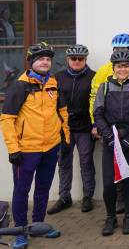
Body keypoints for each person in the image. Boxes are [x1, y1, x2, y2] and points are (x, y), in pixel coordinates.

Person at [1, 43, 67, 249]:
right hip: (26, 150)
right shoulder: (20, 86)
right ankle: (20, 231)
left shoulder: (53, 83)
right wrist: (13, 149)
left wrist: (65, 139)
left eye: (48, 59)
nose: (45, 62)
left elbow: (62, 112)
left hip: (50, 147)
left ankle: (38, 225)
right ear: (31, 62)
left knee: (43, 188)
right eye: (40, 59)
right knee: (22, 190)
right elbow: (7, 119)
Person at [93, 48, 129, 236]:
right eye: (119, 66)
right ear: (113, 68)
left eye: (126, 66)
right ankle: (110, 217)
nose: (122, 69)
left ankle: (128, 217)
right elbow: (98, 113)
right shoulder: (105, 87)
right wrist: (108, 135)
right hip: (112, 137)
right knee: (109, 182)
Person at [48, 44, 96, 215]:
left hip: (85, 127)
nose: (77, 61)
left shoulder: (93, 77)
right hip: (64, 127)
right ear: (68, 60)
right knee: (64, 162)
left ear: (85, 59)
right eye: (73, 58)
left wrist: (96, 125)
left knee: (86, 162)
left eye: (80, 59)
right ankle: (64, 197)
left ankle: (88, 196)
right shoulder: (57, 77)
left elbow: (97, 102)